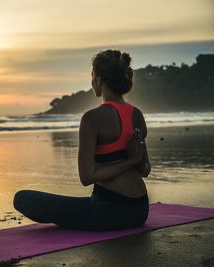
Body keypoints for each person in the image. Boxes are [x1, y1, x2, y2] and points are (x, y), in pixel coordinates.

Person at [13, 49, 151, 231]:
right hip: (141, 210)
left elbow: (87, 177)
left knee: (22, 198)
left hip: (111, 212)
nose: (92, 80)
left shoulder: (92, 118)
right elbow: (145, 170)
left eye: (92, 75)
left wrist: (130, 161)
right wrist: (132, 161)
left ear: (99, 79)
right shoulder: (136, 114)